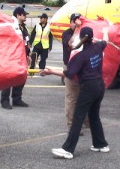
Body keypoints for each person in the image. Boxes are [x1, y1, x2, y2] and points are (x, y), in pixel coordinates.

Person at [41, 27, 109, 159]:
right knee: (94, 116)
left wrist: (50, 71)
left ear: (81, 38)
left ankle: (68, 149)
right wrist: (106, 30)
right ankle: (101, 144)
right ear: (92, 37)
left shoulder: (80, 56)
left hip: (88, 88)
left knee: (78, 117)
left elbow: (68, 74)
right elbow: (106, 40)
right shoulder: (98, 47)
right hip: (100, 87)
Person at [0, 6, 31, 109]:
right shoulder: (11, 26)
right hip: (12, 56)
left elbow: (26, 41)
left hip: (22, 57)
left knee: (21, 78)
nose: (25, 16)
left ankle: (17, 99)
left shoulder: (23, 27)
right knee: (8, 79)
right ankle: (4, 100)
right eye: (24, 15)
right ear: (18, 15)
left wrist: (28, 54)